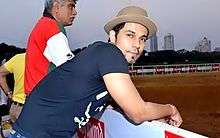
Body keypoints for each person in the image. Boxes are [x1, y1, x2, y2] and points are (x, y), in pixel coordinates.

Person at [10, 6, 182, 138]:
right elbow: (137, 112)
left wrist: (154, 117)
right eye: (130, 35)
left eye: (142, 39)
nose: (137, 45)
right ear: (113, 36)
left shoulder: (100, 62)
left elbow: (126, 104)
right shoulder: (108, 52)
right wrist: (170, 109)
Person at [25, 0, 77, 95]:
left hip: (36, 96)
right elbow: (69, 66)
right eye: (71, 6)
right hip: (46, 97)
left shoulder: (43, 24)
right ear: (56, 7)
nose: (75, 12)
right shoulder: (51, 26)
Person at [0, 53, 26, 123]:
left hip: (16, 107)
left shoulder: (18, 58)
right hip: (32, 108)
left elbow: (1, 73)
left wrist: (9, 94)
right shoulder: (49, 60)